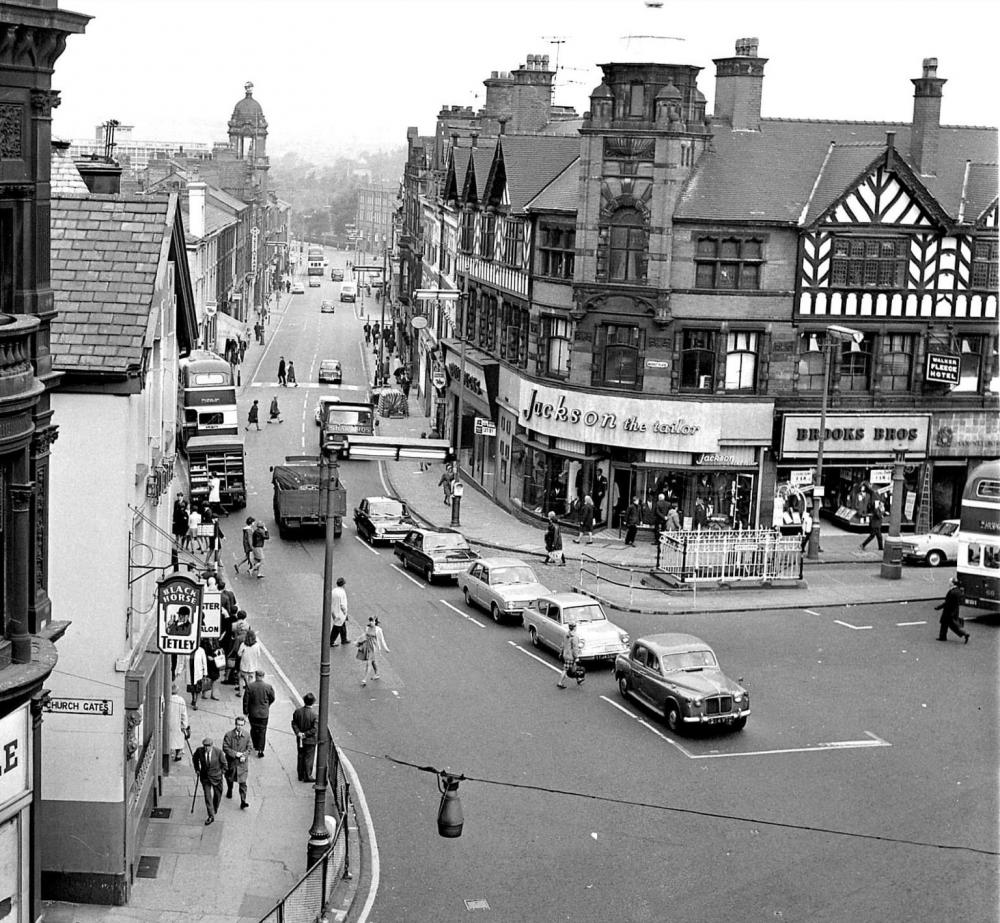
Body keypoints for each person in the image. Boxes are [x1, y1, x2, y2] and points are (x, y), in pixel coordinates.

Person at [193, 736, 228, 825]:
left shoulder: (218, 752)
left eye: (208, 746)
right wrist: (197, 769)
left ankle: (214, 808)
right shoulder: (199, 751)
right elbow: (195, 759)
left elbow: (225, 765)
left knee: (217, 795)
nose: (206, 748)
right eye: (205, 746)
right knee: (207, 796)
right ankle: (211, 815)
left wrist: (221, 773)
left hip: (217, 778)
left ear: (212, 745)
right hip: (205, 778)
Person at [243, 670, 276, 757]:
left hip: (253, 713)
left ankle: (255, 744)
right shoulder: (268, 687)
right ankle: (260, 750)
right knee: (262, 731)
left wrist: (245, 711)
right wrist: (267, 705)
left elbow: (246, 700)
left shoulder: (250, 686)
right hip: (264, 713)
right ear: (263, 676)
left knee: (253, 729)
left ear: (255, 675)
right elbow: (272, 698)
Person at [223, 715, 252, 809]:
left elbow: (249, 747)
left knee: (243, 782)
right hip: (231, 763)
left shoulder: (247, 735)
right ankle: (230, 790)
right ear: (235, 724)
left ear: (244, 725)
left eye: (241, 725)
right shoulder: (229, 735)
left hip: (242, 764)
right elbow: (225, 748)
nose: (239, 727)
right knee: (230, 778)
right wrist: (235, 754)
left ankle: (243, 801)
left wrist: (244, 755)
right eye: (238, 724)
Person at [291, 693, 318, 782]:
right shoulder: (314, 715)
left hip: (300, 739)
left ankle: (300, 775)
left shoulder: (297, 712)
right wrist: (305, 734)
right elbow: (314, 729)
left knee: (300, 756)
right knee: (309, 758)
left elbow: (294, 723)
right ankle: (307, 776)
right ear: (313, 702)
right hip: (310, 740)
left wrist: (298, 733)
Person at [935, 577, 970, 643]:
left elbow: (947, 602)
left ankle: (964, 633)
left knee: (950, 625)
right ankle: (943, 636)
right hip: (954, 610)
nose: (949, 583)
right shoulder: (958, 591)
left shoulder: (952, 592)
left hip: (948, 611)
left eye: (950, 582)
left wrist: (938, 607)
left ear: (952, 583)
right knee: (946, 623)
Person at [357, 616, 390, 686]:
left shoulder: (378, 630)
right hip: (367, 647)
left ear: (375, 622)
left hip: (374, 648)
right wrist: (358, 641)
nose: (371, 622)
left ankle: (364, 679)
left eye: (372, 621)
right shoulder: (367, 627)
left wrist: (386, 648)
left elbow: (382, 639)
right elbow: (365, 635)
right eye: (370, 621)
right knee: (373, 662)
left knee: (369, 663)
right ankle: (377, 674)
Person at [556, 623, 584, 689]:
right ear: (574, 628)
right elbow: (575, 648)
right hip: (570, 656)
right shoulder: (574, 637)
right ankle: (560, 682)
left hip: (565, 654)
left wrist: (561, 652)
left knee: (574, 667)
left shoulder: (566, 634)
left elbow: (563, 644)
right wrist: (576, 656)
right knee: (565, 669)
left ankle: (578, 679)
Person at [229, 611, 250, 690]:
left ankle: (240, 684)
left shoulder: (234, 625)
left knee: (238, 668)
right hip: (246, 651)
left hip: (237, 647)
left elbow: (232, 636)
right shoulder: (247, 625)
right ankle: (245, 683)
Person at [168, 683, 189, 762]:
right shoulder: (181, 700)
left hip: (169, 722)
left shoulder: (167, 699)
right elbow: (184, 714)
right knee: (178, 740)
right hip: (177, 723)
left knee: (169, 739)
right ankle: (177, 754)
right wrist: (184, 724)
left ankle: (169, 753)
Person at [238, 628, 263, 693]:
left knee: (241, 678)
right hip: (253, 666)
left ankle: (240, 692)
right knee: (251, 680)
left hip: (244, 665)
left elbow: (239, 654)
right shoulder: (257, 645)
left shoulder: (243, 644)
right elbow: (258, 655)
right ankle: (249, 692)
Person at [330, 576, 349, 646]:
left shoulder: (334, 590)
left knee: (342, 625)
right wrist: (345, 612)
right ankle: (331, 641)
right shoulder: (342, 592)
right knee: (337, 627)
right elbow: (342, 604)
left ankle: (344, 639)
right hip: (340, 612)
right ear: (343, 584)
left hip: (334, 611)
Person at [189, 643, 207, 710]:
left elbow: (204, 662)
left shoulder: (201, 650)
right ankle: (193, 698)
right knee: (191, 688)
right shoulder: (188, 649)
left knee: (198, 689)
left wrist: (205, 673)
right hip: (190, 672)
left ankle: (196, 703)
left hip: (198, 673)